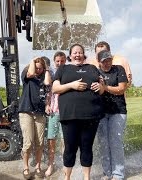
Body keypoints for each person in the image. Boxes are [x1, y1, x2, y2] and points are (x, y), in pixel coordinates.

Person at [52, 44, 105, 180]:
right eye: (75, 53)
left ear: (83, 55)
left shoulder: (92, 68)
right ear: (70, 56)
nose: (77, 55)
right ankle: (67, 178)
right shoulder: (63, 69)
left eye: (80, 52)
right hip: (69, 116)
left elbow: (102, 89)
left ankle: (86, 177)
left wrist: (100, 86)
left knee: (87, 147)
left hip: (91, 116)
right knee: (70, 148)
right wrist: (72, 85)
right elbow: (55, 89)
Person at [18, 57, 52, 179]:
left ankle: (37, 166)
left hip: (40, 113)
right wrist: (32, 60)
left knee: (39, 143)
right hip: (26, 112)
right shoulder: (27, 75)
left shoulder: (45, 78)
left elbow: (48, 85)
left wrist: (46, 68)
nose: (37, 70)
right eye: (36, 67)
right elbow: (31, 72)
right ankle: (26, 167)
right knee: (28, 143)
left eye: (40, 68)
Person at [97, 50, 128, 180]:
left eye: (109, 60)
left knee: (115, 142)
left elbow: (121, 89)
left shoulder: (119, 69)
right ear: (99, 62)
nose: (107, 63)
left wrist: (105, 88)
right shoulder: (95, 72)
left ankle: (118, 174)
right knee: (103, 143)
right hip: (100, 113)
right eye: (104, 61)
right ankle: (107, 172)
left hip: (118, 112)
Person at [44, 51, 67, 177]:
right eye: (57, 61)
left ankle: (65, 165)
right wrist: (47, 104)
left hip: (66, 112)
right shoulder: (52, 73)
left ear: (66, 61)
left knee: (65, 141)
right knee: (51, 139)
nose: (60, 63)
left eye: (62, 61)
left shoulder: (69, 72)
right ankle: (51, 164)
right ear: (54, 62)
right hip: (54, 111)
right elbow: (48, 90)